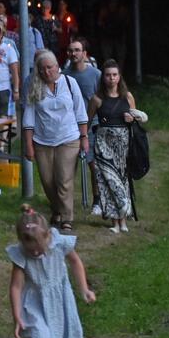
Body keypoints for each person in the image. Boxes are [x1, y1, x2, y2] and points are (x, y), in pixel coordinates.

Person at [8, 205, 96, 338]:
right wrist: (17, 316)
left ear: (48, 236)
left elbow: (75, 261)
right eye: (30, 250)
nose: (35, 254)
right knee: (41, 337)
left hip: (60, 300)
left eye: (38, 249)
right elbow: (16, 287)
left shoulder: (59, 242)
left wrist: (85, 289)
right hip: (34, 305)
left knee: (66, 336)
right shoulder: (21, 255)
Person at [23, 50, 89, 232]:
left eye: (50, 67)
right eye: (42, 69)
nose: (46, 72)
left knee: (64, 180)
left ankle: (67, 217)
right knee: (48, 181)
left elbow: (80, 112)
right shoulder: (34, 86)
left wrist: (84, 137)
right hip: (42, 140)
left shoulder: (70, 83)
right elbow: (28, 118)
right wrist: (28, 145)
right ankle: (57, 209)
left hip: (68, 138)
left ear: (57, 66)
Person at [88, 61, 144, 234]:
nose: (111, 78)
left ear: (119, 77)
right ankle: (114, 220)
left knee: (122, 180)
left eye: (114, 75)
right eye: (108, 75)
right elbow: (87, 122)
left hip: (123, 145)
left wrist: (132, 119)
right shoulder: (97, 99)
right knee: (108, 181)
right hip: (103, 144)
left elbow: (136, 118)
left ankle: (124, 218)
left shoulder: (127, 97)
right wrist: (83, 139)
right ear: (103, 77)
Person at [63, 38, 102, 212]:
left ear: (84, 53)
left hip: (91, 124)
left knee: (93, 164)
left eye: (77, 50)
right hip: (69, 126)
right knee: (68, 167)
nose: (74, 53)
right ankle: (66, 202)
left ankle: (97, 200)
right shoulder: (64, 75)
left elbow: (102, 99)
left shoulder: (96, 74)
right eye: (71, 50)